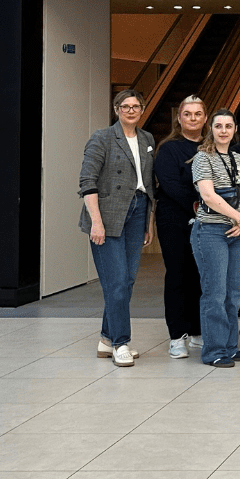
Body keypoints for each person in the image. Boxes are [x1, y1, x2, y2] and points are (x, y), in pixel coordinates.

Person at [77, 89, 155, 367]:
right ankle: (121, 342)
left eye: (136, 106)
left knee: (127, 280)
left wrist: (148, 222)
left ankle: (106, 339)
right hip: (107, 216)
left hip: (137, 213)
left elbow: (147, 185)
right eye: (125, 106)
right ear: (116, 109)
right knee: (117, 282)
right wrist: (96, 221)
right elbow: (87, 181)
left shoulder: (147, 139)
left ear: (142, 110)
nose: (131, 110)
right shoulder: (102, 138)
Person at [191, 109, 240, 367]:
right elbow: (209, 197)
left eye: (228, 126)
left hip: (238, 234)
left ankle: (229, 346)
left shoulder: (239, 159)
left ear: (234, 129)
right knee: (214, 294)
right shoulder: (202, 157)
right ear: (212, 129)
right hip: (211, 232)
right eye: (219, 126)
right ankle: (214, 351)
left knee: (233, 293)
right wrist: (239, 218)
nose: (224, 130)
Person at [153, 95, 206, 359]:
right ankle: (177, 336)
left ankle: (197, 331)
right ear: (179, 118)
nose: (193, 118)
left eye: (198, 114)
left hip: (206, 221)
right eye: (188, 114)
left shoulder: (210, 146)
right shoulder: (169, 148)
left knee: (199, 275)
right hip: (174, 220)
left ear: (205, 118)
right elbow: (171, 184)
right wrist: (199, 204)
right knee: (177, 275)